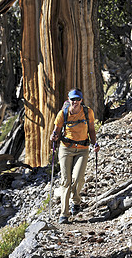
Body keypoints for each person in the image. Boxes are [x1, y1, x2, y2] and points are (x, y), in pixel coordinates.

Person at [50, 88, 100, 224]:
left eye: (78, 99)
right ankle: (64, 214)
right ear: (69, 99)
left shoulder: (88, 112)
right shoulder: (63, 113)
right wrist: (53, 136)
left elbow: (91, 130)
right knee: (66, 181)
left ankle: (76, 201)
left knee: (78, 178)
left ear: (81, 100)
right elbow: (56, 131)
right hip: (66, 149)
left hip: (83, 149)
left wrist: (95, 144)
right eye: (73, 99)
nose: (75, 102)